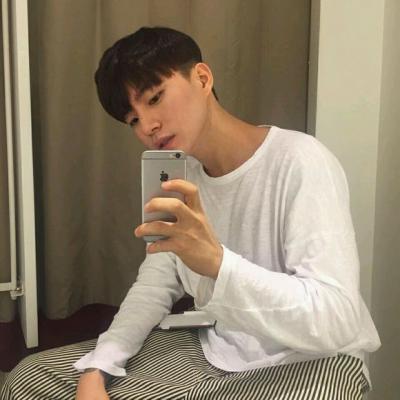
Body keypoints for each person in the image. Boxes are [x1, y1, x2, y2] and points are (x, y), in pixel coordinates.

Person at [1, 26, 380, 400]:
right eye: (133, 120)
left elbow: (336, 319)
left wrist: (216, 262)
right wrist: (99, 367)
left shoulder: (300, 161)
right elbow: (154, 286)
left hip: (311, 359)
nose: (148, 126)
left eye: (155, 98)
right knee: (29, 379)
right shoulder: (182, 181)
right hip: (218, 349)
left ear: (201, 78)